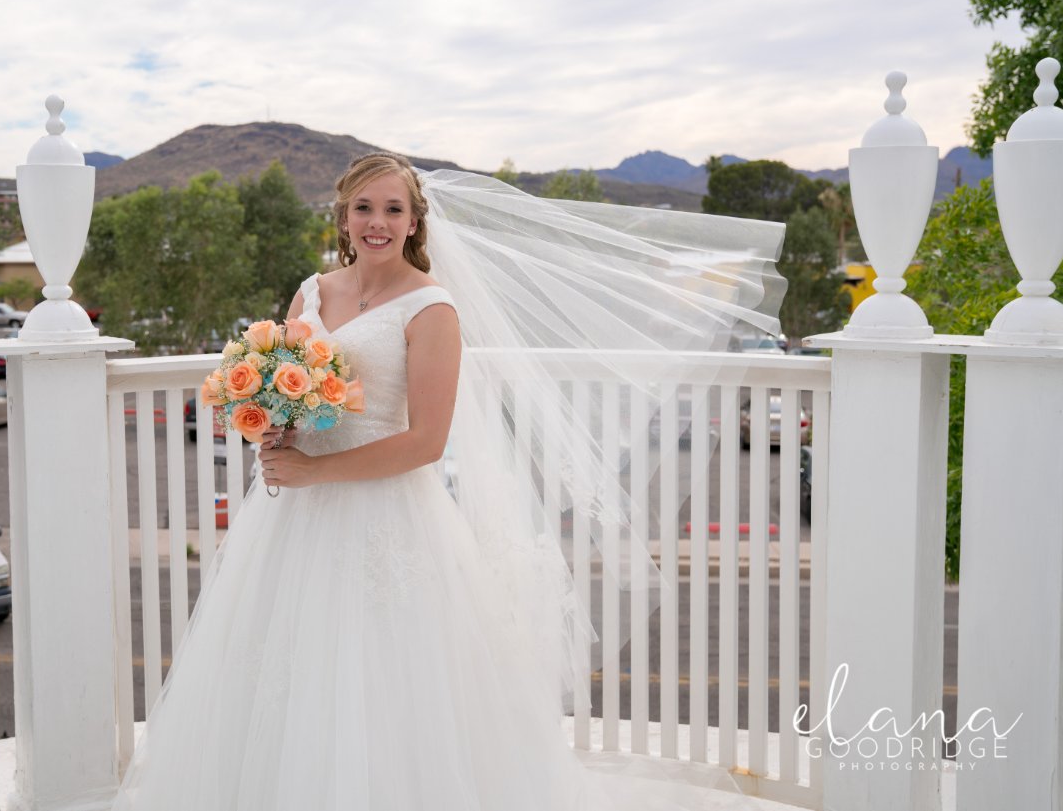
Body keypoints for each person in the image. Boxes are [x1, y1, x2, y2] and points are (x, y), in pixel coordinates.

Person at [111, 152, 784, 810]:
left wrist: (317, 469)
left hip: (384, 512)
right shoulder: (313, 291)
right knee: (281, 668)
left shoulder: (431, 308)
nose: (377, 221)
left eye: (392, 209)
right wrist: (273, 425)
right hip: (293, 513)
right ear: (343, 217)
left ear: (413, 222)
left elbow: (426, 442)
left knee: (385, 681)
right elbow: (288, 385)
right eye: (363, 208)